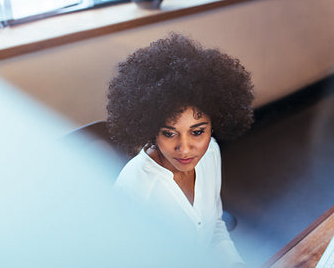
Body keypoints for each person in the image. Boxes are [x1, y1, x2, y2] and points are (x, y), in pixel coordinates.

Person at [107, 33, 254, 267]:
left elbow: (215, 226)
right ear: (151, 130)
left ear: (215, 124)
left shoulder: (211, 153)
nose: (184, 149)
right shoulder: (134, 188)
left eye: (197, 132)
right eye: (169, 133)